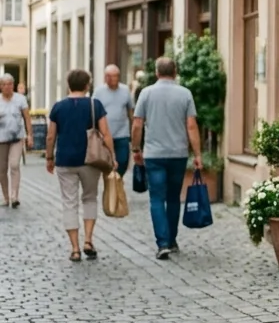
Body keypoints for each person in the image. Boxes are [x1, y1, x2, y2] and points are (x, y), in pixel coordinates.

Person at [132, 57, 202, 260]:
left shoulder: (146, 93)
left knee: (156, 198)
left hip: (154, 154)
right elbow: (191, 126)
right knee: (173, 198)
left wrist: (136, 149)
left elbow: (137, 124)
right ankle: (171, 240)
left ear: (156, 72)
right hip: (178, 154)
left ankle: (162, 243)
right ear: (175, 71)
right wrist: (197, 154)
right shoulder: (185, 94)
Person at [46, 68, 116, 262]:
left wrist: (49, 157)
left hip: (65, 160)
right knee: (90, 198)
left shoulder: (58, 107)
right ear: (87, 85)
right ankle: (88, 240)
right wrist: (113, 156)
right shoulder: (95, 105)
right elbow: (106, 133)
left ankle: (75, 248)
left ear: (68, 85)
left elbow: (51, 136)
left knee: (69, 203)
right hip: (90, 160)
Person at [94, 65, 133, 176]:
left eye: (114, 76)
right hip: (104, 134)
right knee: (107, 165)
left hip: (122, 134)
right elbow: (93, 111)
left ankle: (117, 181)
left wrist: (132, 128)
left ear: (119, 77)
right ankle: (111, 186)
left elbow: (130, 111)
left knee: (123, 161)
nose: (111, 79)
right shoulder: (98, 91)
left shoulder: (125, 90)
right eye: (108, 76)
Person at [0, 75, 30, 207]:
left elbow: (27, 118)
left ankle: (14, 197)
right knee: (1, 169)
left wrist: (30, 135)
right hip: (1, 139)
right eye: (5, 84)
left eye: (10, 84)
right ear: (1, 86)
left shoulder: (20, 99)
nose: (8, 87)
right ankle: (6, 197)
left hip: (17, 138)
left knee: (14, 165)